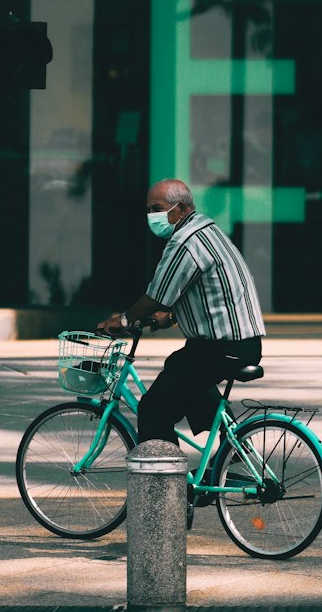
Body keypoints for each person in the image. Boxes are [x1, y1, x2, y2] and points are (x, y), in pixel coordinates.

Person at [98, 179, 265, 447]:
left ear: (181, 209)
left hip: (222, 348)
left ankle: (168, 486)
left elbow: (156, 296)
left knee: (153, 409)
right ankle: (231, 446)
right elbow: (206, 291)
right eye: (149, 209)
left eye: (157, 208)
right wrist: (171, 316)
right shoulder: (208, 230)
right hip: (240, 344)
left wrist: (125, 320)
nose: (152, 216)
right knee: (180, 367)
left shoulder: (185, 241)